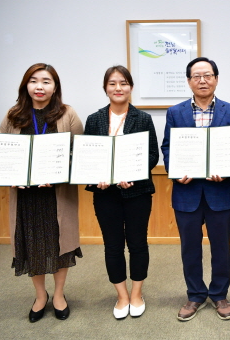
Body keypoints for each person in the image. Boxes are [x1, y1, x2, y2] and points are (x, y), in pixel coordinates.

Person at [0, 63, 83, 322]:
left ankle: (58, 294)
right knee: (32, 244)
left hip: (57, 196)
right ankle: (40, 296)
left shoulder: (67, 113)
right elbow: (3, 153)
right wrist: (10, 176)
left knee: (60, 244)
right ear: (26, 85)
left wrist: (59, 176)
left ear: (55, 87)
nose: (39, 86)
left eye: (46, 81)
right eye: (34, 80)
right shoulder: (14, 115)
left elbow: (78, 153)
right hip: (26, 197)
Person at [161, 57, 230, 322]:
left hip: (220, 192)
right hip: (187, 192)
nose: (202, 80)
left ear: (216, 79)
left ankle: (219, 294)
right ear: (188, 81)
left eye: (207, 75)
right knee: (190, 248)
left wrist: (227, 169)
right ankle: (195, 294)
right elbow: (168, 147)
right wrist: (176, 172)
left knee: (221, 247)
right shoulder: (175, 112)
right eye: (196, 76)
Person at [84, 65, 159, 319]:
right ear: (105, 88)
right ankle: (122, 295)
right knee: (113, 246)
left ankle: (137, 293)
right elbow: (89, 157)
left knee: (138, 244)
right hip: (105, 194)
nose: (118, 88)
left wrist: (133, 175)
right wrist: (99, 178)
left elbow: (152, 154)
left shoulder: (143, 118)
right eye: (113, 83)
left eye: (124, 83)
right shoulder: (94, 120)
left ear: (131, 87)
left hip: (137, 192)